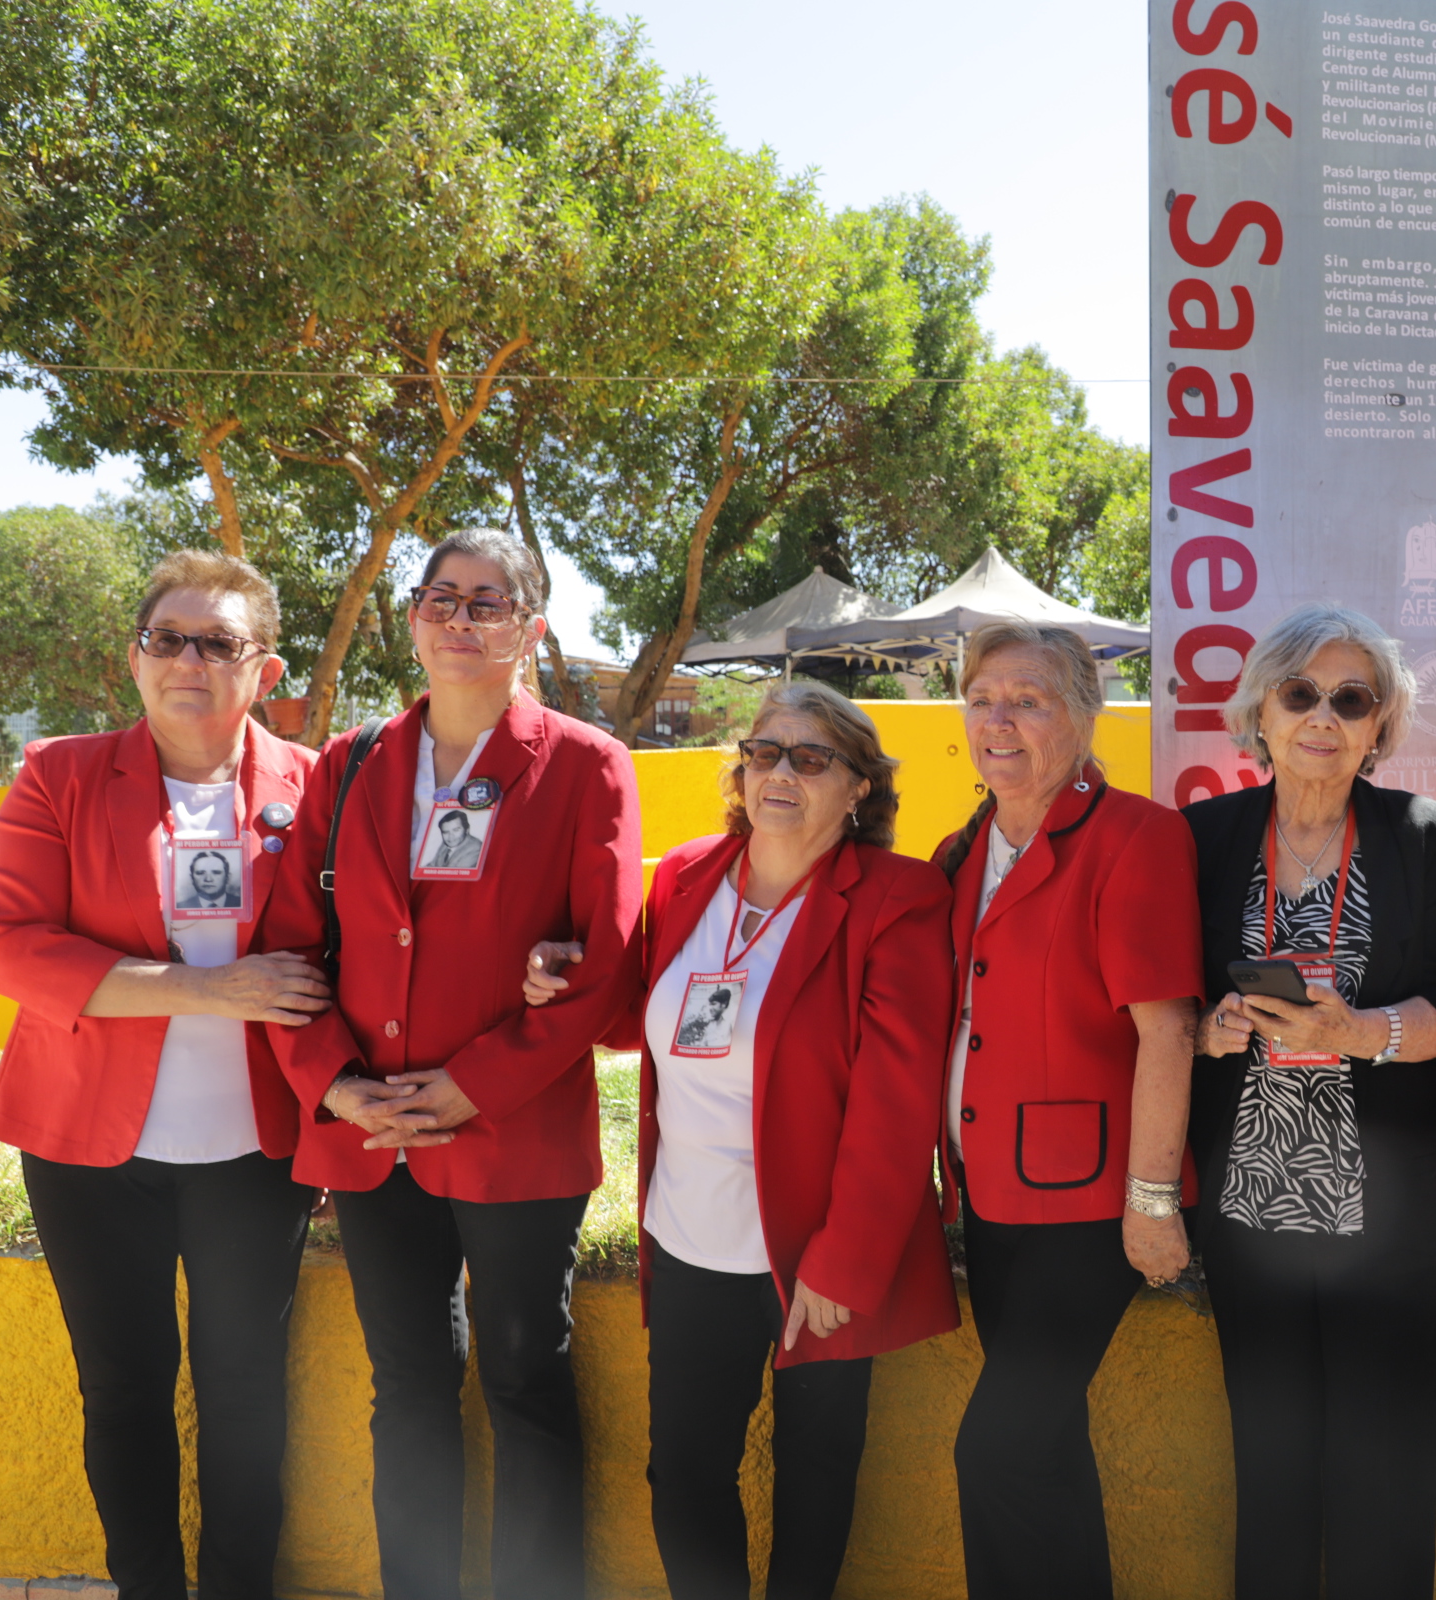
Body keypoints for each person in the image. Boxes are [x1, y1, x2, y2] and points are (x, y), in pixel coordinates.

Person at [257, 527, 643, 1600]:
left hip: (514, 1133)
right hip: (372, 1136)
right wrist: (337, 1085)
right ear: (413, 619)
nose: (461, 619)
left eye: (488, 602)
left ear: (531, 627)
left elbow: (605, 967)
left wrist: (474, 1083)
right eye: (442, 599)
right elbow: (290, 947)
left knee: (526, 1379)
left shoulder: (585, 764)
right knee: (410, 1387)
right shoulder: (356, 760)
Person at [520, 681, 958, 1600]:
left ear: (859, 790)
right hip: (688, 1236)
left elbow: (897, 1096)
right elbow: (636, 1013)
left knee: (817, 1478)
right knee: (682, 1474)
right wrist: (560, 978)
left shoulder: (899, 898)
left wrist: (845, 1260)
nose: (781, 773)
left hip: (817, 1246)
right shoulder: (685, 874)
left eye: (812, 758)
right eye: (765, 753)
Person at [0, 550, 328, 1600]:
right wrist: (214, 990)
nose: (188, 659)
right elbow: (12, 952)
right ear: (135, 658)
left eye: (218, 641)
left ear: (264, 671)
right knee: (124, 1389)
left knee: (244, 1394)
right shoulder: (59, 774)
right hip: (90, 1150)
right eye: (166, 637)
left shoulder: (315, 788)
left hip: (254, 1154)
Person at [1185, 604, 1436, 1599]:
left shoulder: (1423, 835)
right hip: (1250, 1215)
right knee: (1269, 1473)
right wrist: (1212, 1026)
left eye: (1351, 699)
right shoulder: (1202, 838)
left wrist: (1357, 1032)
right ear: (1261, 713)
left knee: (1387, 1473)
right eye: (1301, 693)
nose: (1324, 715)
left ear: (1381, 725)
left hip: (1389, 1217)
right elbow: (1161, 1001)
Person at [937, 620, 1203, 1600]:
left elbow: (1167, 1031)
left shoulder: (1135, 836)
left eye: (1028, 698)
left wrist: (1151, 1199)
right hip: (993, 1199)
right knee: (1043, 1455)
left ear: (1084, 717)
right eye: (981, 698)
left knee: (993, 1452)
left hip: (1089, 1211)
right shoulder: (963, 848)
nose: (997, 719)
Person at [424, 807, 481, 872]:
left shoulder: (476, 849)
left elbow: (454, 874)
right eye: (446, 832)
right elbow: (432, 865)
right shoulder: (447, 844)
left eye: (456, 830)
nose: (450, 836)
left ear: (467, 829)